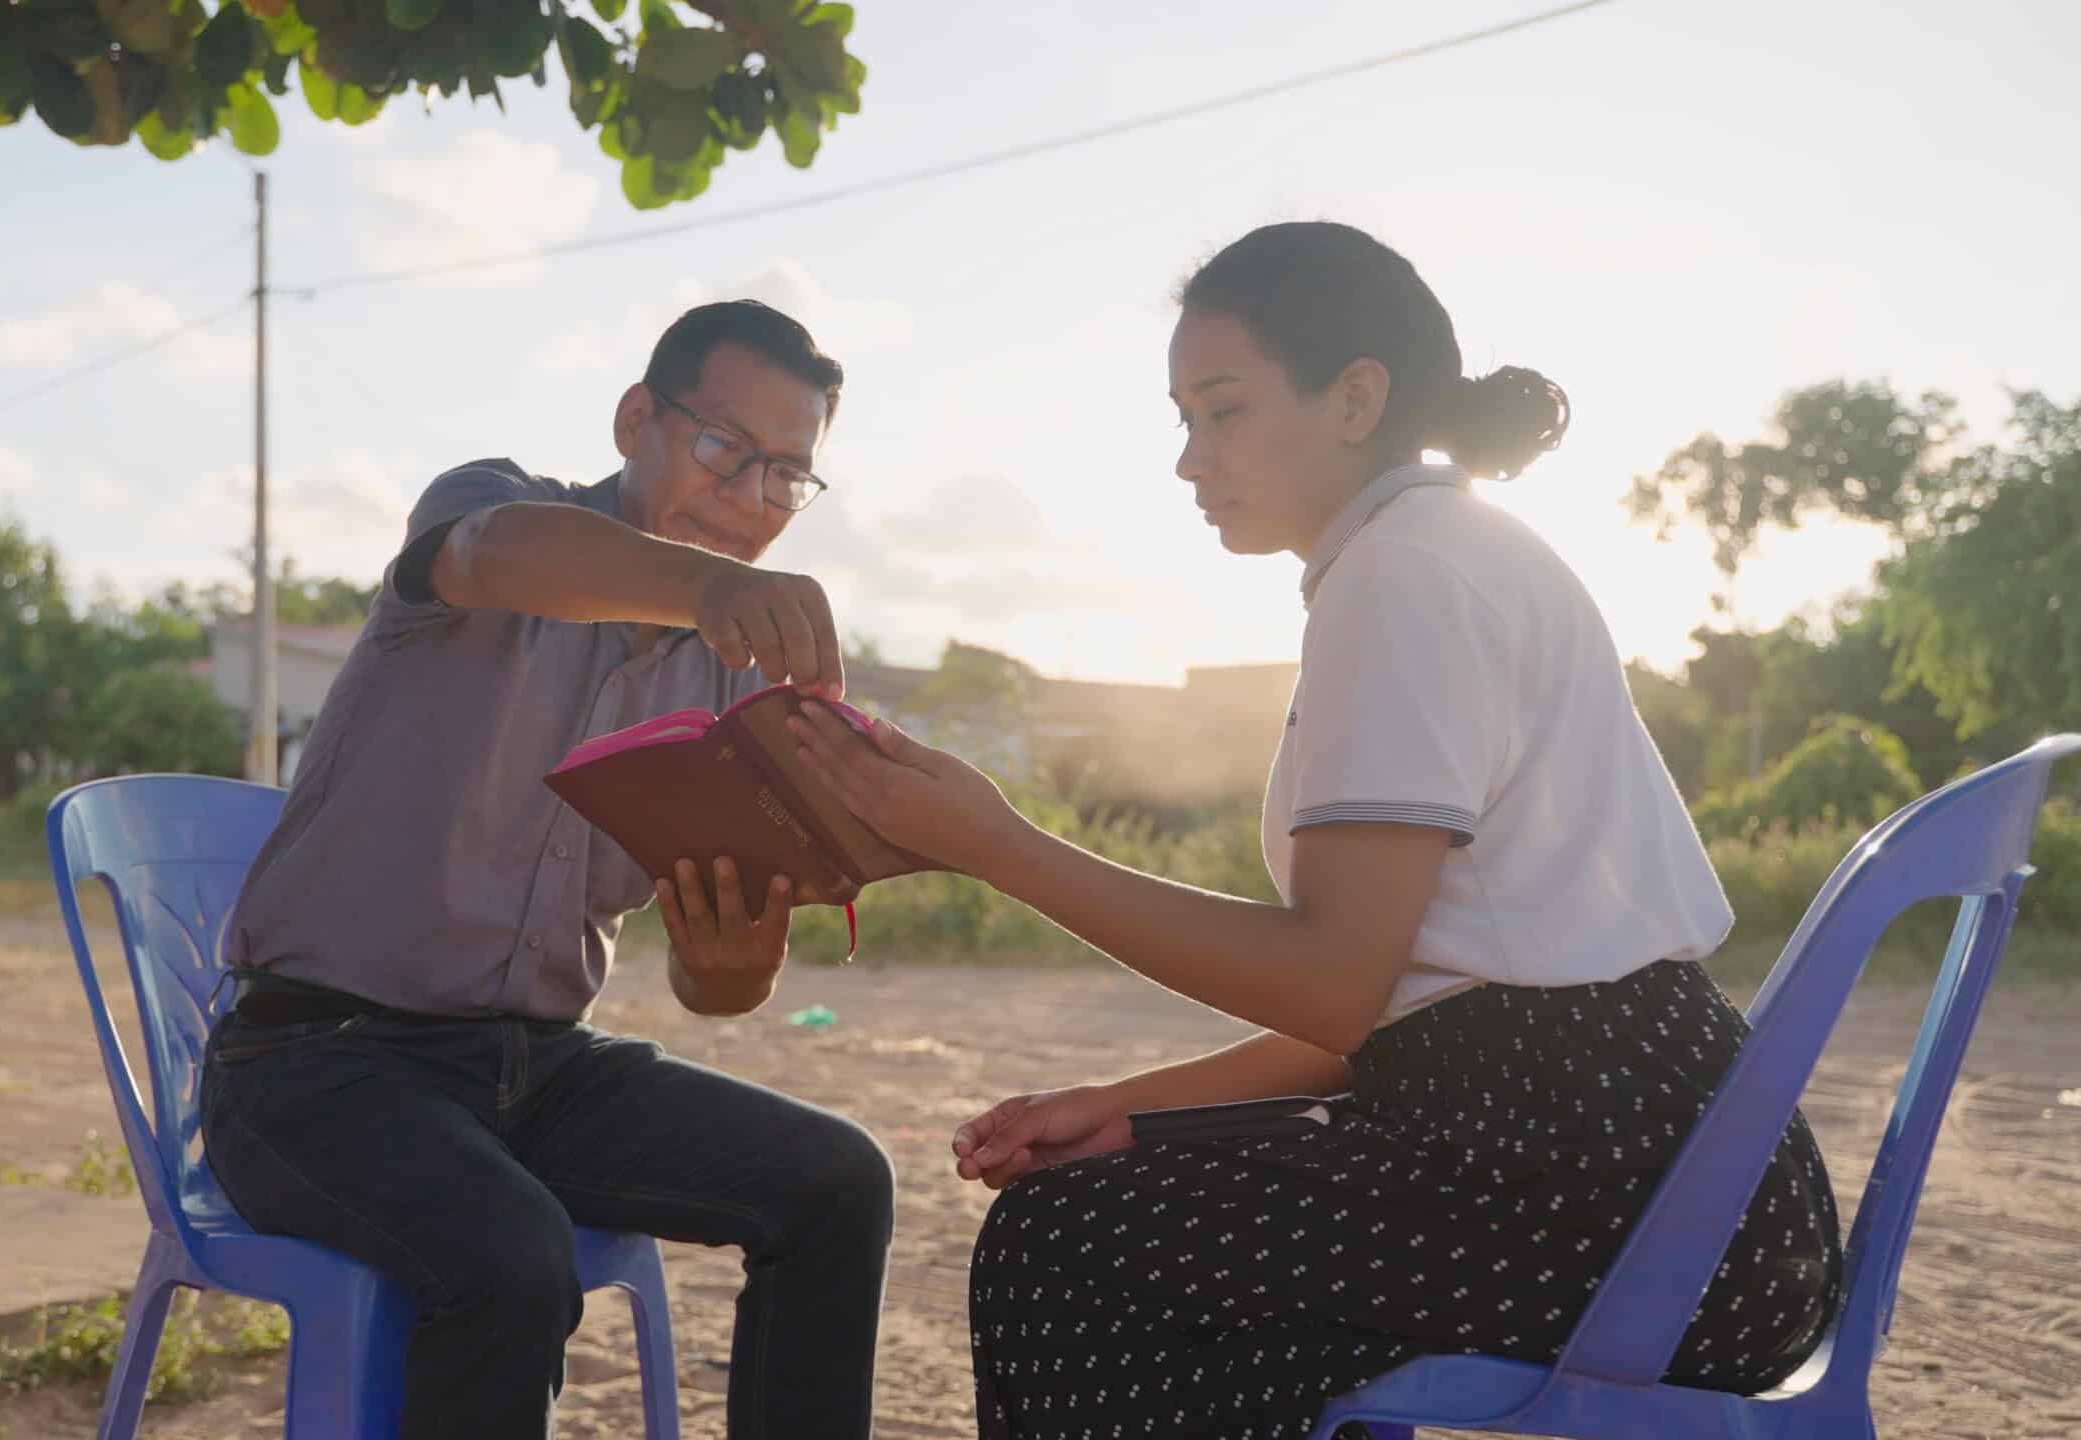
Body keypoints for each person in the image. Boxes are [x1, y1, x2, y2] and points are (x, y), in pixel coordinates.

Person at [783, 222, 1843, 1439]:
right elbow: (1407, 1005)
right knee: (1126, 1213)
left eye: (1222, 411)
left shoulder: (1404, 575)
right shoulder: (1442, 550)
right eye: (1182, 418)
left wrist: (996, 844)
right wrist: (1142, 1106)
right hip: (1691, 1188)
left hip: (1614, 1201)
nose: (1191, 459)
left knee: (1064, 1245)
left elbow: (1336, 989)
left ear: (1355, 400)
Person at [200, 300, 894, 1440]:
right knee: (511, 1252)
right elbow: (495, 556)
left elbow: (713, 991)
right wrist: (707, 587)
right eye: (725, 448)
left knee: (837, 1184)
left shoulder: (731, 691)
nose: (749, 500)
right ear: (637, 420)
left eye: (785, 477)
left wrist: (735, 963)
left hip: (536, 1071)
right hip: (312, 1068)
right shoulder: (495, 512)